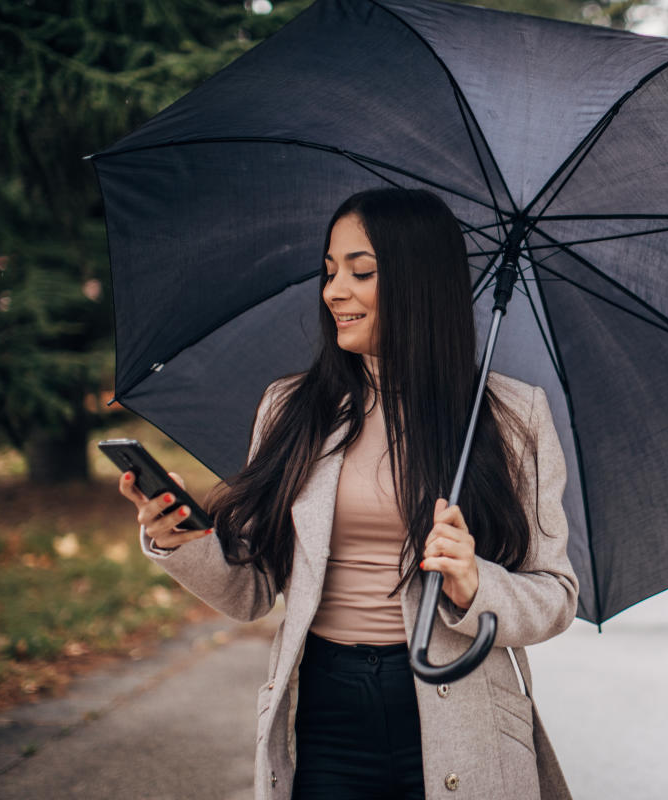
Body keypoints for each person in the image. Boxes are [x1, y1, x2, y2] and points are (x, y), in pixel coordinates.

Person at [117, 188, 578, 800]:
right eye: (329, 271)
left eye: (361, 272)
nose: (334, 291)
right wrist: (181, 538)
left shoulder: (511, 418)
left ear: (419, 282)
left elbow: (555, 594)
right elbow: (254, 588)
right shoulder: (292, 409)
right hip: (327, 712)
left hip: (463, 712)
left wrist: (474, 584)